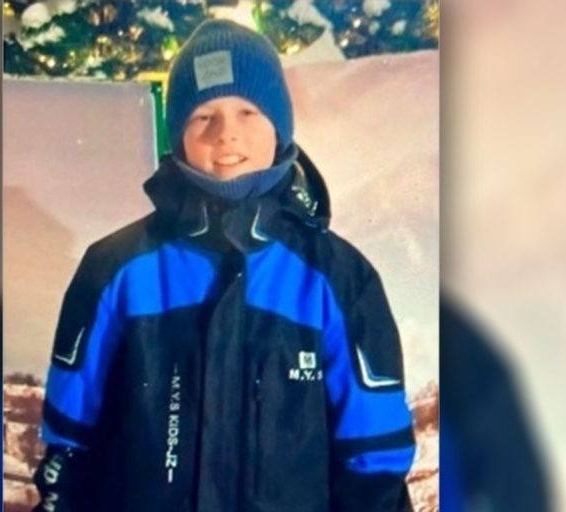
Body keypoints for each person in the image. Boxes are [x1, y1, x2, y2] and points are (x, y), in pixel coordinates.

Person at [32, 19, 415, 512]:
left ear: (279, 124)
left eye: (248, 111)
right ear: (178, 135)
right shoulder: (115, 270)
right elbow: (69, 448)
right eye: (203, 116)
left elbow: (375, 464)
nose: (226, 133)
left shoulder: (339, 279)